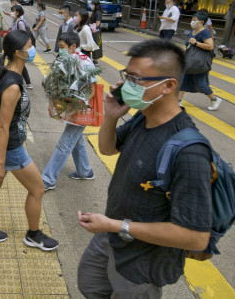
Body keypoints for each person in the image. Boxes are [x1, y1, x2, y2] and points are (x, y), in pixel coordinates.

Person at [78, 39, 212, 297]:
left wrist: (117, 226)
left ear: (168, 86)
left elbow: (196, 238)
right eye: (127, 77)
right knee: (91, 286)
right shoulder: (143, 116)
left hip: (142, 261)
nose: (128, 85)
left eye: (136, 80)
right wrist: (112, 116)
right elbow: (108, 148)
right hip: (111, 236)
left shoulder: (189, 151)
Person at [0, 30, 59, 251]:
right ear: (19, 53)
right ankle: (33, 235)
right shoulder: (13, 84)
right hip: (9, 146)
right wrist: (2, 163)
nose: (33, 48)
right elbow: (4, 126)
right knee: (38, 189)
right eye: (30, 45)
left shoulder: (8, 73)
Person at [41, 32, 97, 191]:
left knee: (64, 145)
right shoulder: (63, 60)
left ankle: (48, 179)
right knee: (76, 140)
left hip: (81, 108)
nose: (60, 51)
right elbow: (52, 83)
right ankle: (85, 171)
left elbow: (91, 92)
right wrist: (51, 104)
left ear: (73, 46)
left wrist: (73, 110)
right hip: (71, 107)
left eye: (62, 47)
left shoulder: (85, 62)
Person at [178, 11, 222, 111]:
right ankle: (178, 101)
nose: (192, 22)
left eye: (194, 20)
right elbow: (189, 46)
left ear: (201, 22)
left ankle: (214, 99)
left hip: (199, 63)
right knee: (183, 80)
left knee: (200, 84)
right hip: (190, 62)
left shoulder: (205, 32)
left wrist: (196, 43)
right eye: (192, 20)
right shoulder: (192, 32)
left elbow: (210, 46)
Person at [10, 5, 34, 89]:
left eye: (14, 11)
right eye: (12, 10)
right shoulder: (14, 21)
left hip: (19, 47)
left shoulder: (20, 22)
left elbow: (23, 36)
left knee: (20, 65)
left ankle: (28, 82)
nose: (12, 12)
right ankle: (20, 80)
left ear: (18, 13)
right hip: (14, 46)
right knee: (15, 64)